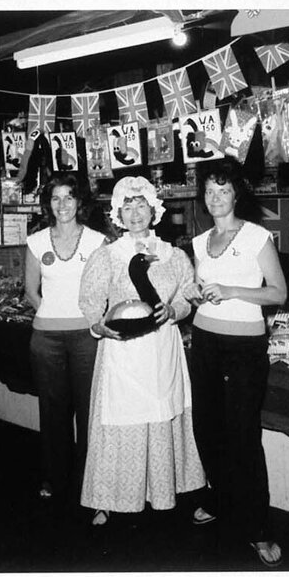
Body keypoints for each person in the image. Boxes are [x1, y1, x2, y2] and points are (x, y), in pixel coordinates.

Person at [78, 176, 205, 526]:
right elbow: (90, 300)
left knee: (166, 417)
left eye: (141, 205)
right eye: (127, 206)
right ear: (118, 212)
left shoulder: (174, 255)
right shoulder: (108, 255)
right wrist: (98, 324)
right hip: (123, 351)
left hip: (162, 348)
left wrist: (176, 310)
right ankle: (107, 498)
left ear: (154, 209)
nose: (135, 213)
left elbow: (187, 295)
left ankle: (171, 492)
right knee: (118, 422)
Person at [185, 159, 288, 568]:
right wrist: (197, 294)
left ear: (236, 194)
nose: (215, 198)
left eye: (223, 190)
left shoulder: (257, 237)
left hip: (245, 347)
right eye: (209, 190)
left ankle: (258, 528)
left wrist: (230, 289)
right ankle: (221, 497)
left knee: (243, 437)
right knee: (206, 430)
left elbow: (278, 294)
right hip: (205, 341)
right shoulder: (198, 242)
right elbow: (199, 289)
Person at [24, 173, 106, 510]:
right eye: (56, 198)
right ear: (49, 204)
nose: (62, 205)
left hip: (87, 338)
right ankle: (55, 478)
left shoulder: (98, 242)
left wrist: (89, 319)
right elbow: (30, 290)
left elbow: (104, 289)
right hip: (46, 339)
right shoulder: (36, 241)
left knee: (89, 413)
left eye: (69, 197)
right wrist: (49, 312)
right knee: (53, 412)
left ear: (79, 202)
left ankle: (89, 481)